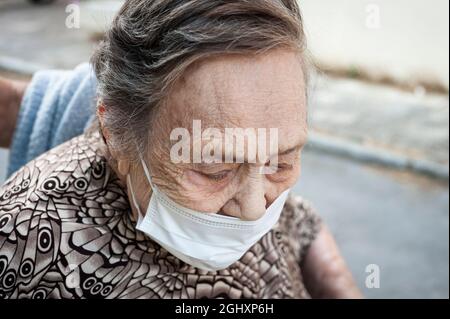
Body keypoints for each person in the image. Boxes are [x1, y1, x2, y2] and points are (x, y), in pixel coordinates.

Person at [0, 0, 361, 299]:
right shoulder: (25, 243)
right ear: (114, 133)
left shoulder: (262, 189)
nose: (255, 211)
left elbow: (301, 221)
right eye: (214, 171)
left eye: (281, 163)